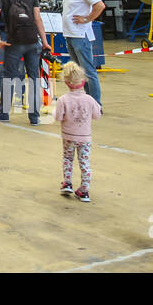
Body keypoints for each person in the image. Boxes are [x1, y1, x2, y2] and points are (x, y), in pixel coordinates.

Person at [54, 60, 101, 202]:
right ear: (83, 81)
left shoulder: (63, 100)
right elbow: (97, 115)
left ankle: (67, 182)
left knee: (68, 159)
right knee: (84, 162)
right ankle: (84, 190)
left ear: (66, 82)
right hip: (85, 138)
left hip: (68, 136)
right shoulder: (90, 99)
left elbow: (57, 117)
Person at [59, 0, 105, 107]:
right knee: (79, 72)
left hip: (80, 36)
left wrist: (86, 19)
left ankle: (96, 104)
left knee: (88, 71)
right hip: (71, 35)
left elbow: (100, 5)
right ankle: (86, 100)